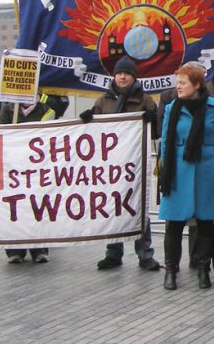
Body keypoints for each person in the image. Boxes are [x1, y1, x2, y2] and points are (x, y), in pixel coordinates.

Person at [83, 56, 160, 272]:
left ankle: (145, 254)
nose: (122, 76)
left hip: (135, 164)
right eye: (119, 73)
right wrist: (86, 120)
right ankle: (113, 253)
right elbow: (91, 135)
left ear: (133, 76)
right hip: (110, 166)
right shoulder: (102, 101)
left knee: (139, 209)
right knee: (112, 208)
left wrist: (151, 119)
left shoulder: (146, 100)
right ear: (114, 76)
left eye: (126, 73)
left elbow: (155, 132)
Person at [158, 64, 214, 290]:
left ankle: (203, 270)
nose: (178, 87)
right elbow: (165, 142)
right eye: (177, 82)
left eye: (183, 82)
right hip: (177, 170)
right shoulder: (172, 108)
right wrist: (164, 172)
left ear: (197, 84)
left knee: (206, 224)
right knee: (174, 223)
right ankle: (170, 270)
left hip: (208, 170)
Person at [1, 94, 59, 264]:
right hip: (14, 167)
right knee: (15, 206)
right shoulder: (8, 109)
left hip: (37, 168)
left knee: (38, 206)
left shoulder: (45, 109)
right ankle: (15, 249)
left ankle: (39, 248)